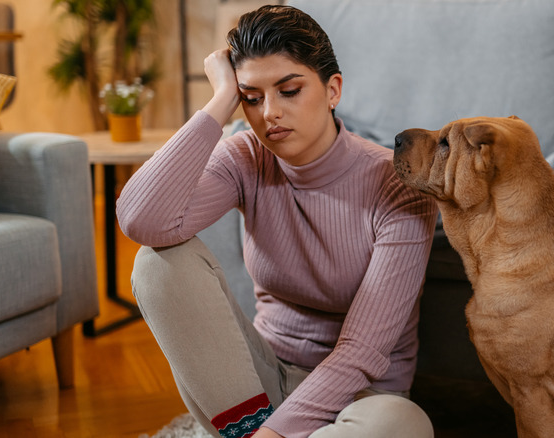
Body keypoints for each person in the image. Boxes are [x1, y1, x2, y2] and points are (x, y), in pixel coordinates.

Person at [116, 5, 438, 438]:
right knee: (156, 265)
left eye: (289, 90)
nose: (269, 112)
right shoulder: (246, 156)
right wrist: (219, 102)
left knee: (402, 424)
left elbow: (363, 351)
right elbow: (141, 220)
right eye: (251, 97)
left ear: (332, 90)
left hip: (358, 399)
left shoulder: (396, 184)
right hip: (258, 387)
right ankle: (249, 429)